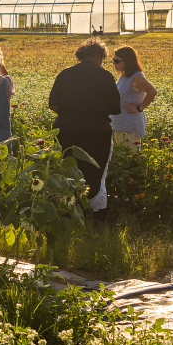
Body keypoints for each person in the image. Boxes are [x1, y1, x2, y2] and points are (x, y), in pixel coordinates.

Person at [48, 38, 121, 215]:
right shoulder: (105, 76)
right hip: (97, 130)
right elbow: (115, 108)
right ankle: (97, 214)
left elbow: (53, 105)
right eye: (103, 58)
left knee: (68, 169)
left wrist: (71, 113)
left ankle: (67, 211)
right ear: (98, 55)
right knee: (97, 172)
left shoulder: (65, 73)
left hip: (66, 128)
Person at [109, 46, 157, 152]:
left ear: (127, 61)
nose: (114, 63)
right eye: (113, 60)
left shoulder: (137, 76)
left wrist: (139, 108)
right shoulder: (123, 76)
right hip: (119, 125)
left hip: (129, 126)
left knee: (132, 158)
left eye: (116, 61)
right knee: (123, 159)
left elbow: (152, 91)